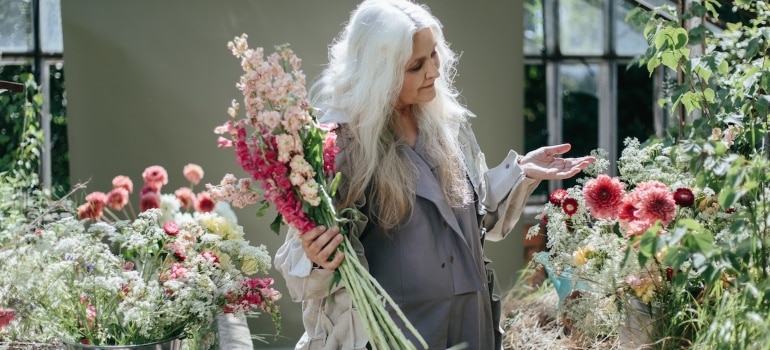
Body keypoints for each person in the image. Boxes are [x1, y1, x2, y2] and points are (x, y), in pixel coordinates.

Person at [274, 0, 596, 349]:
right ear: (378, 71)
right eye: (416, 65)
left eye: (434, 55)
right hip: (395, 333)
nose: (434, 72)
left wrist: (519, 172)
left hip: (469, 323)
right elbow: (299, 273)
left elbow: (472, 216)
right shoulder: (342, 143)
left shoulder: (444, 124)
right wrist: (318, 257)